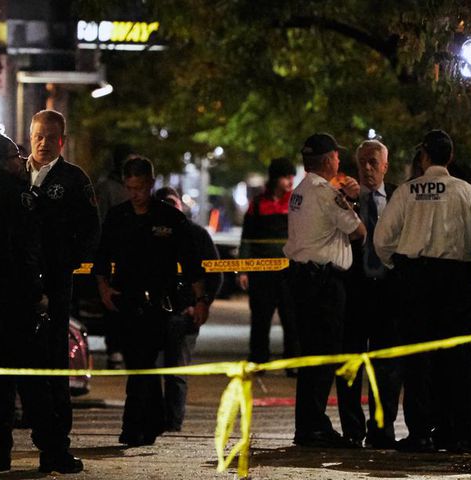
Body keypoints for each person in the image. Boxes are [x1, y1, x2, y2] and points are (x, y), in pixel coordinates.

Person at [0, 125, 83, 474]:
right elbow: (24, 251)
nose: (21, 160)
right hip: (14, 297)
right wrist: (37, 294)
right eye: (15, 155)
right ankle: (52, 450)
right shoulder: (18, 196)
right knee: (33, 377)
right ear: (2, 160)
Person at [374, 129, 471, 453]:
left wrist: (398, 267)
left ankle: (420, 434)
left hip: (415, 281)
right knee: (460, 361)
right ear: (450, 157)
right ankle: (465, 433)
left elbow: (382, 239)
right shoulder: (468, 192)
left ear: (424, 157)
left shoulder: (406, 191)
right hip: (456, 282)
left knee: (418, 361)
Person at [94, 156, 209, 447]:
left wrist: (200, 300)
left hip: (160, 302)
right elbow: (101, 258)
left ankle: (136, 426)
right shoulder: (118, 217)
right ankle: (148, 422)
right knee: (139, 362)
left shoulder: (170, 218)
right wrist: (104, 289)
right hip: (126, 300)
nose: (136, 194)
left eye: (141, 188)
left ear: (151, 184)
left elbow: (192, 263)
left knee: (143, 362)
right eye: (130, 188)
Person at [25, 109, 100, 464]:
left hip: (55, 284)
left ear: (62, 141)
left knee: (54, 362)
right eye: (38, 136)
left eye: (50, 137)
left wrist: (65, 263)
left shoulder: (73, 179)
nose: (43, 143)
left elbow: (90, 230)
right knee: (17, 362)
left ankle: (56, 444)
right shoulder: (15, 175)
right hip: (19, 285)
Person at [284, 133, 365, 448]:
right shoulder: (325, 193)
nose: (339, 160)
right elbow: (358, 231)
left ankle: (307, 424)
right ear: (328, 160)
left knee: (311, 356)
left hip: (303, 280)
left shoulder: (300, 191)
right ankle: (315, 426)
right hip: (325, 284)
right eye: (337, 155)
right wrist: (352, 200)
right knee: (324, 356)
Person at [335, 140, 401, 448]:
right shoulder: (344, 198)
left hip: (388, 291)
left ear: (385, 165)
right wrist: (349, 201)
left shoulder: (400, 198)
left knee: (386, 366)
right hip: (354, 289)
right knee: (350, 363)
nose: (367, 168)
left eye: (373, 161)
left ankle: (382, 429)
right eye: (362, 162)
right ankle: (352, 429)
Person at [154, 186, 223, 432]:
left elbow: (214, 273)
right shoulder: (149, 233)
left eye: (172, 204)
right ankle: (154, 421)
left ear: (181, 206)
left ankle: (172, 423)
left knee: (176, 370)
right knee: (150, 370)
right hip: (153, 312)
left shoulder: (195, 234)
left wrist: (201, 303)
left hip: (185, 312)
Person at [238, 157, 299, 372]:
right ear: (275, 178)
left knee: (292, 319)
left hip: (289, 272)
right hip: (261, 273)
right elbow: (247, 239)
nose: (290, 181)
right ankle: (258, 360)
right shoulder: (257, 205)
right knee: (260, 319)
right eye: (286, 177)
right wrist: (243, 269)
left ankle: (293, 362)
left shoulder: (296, 203)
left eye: (291, 177)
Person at [94, 144, 133, 369]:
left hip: (133, 255)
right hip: (114, 255)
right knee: (113, 302)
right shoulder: (108, 188)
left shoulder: (131, 187)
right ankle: (115, 348)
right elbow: (100, 221)